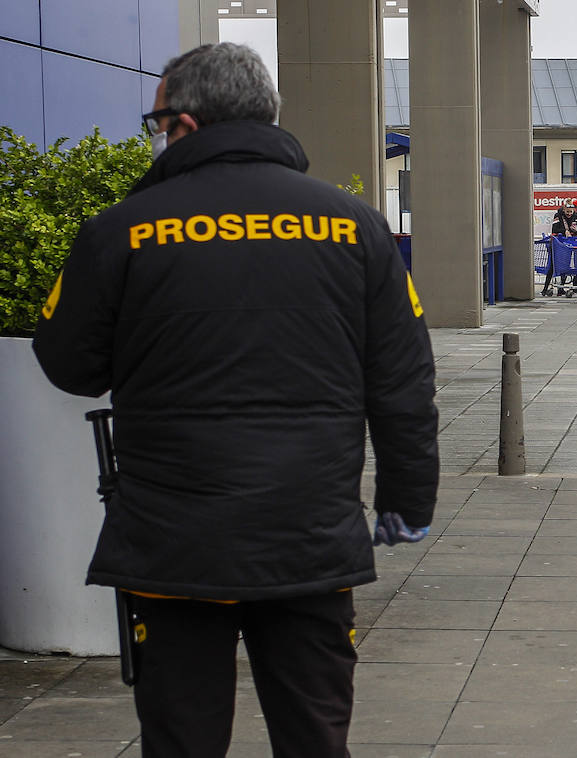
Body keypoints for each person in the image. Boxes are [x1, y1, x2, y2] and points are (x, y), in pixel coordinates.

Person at [30, 43, 438, 758]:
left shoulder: (122, 230)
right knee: (315, 736)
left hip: (174, 545)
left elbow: (67, 365)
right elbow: (403, 384)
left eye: (158, 122)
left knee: (182, 741)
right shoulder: (355, 229)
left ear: (186, 125)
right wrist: (408, 502)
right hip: (308, 539)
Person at [544, 201, 577, 296]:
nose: (569, 214)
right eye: (567, 212)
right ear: (564, 210)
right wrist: (565, 231)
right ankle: (545, 288)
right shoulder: (558, 216)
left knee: (568, 266)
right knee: (554, 265)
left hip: (572, 244)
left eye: (571, 212)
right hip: (559, 245)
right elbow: (554, 229)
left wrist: (574, 230)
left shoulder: (576, 217)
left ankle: (562, 287)